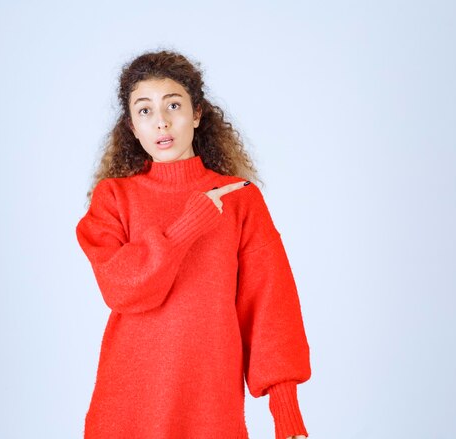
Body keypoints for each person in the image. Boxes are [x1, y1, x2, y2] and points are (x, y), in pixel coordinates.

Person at [75, 49, 311, 439]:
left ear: (197, 114)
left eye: (173, 105)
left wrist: (286, 412)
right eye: (145, 111)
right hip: (128, 404)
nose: (162, 122)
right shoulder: (113, 197)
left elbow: (271, 305)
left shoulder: (239, 198)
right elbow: (123, 289)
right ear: (132, 127)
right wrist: (188, 224)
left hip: (209, 401)